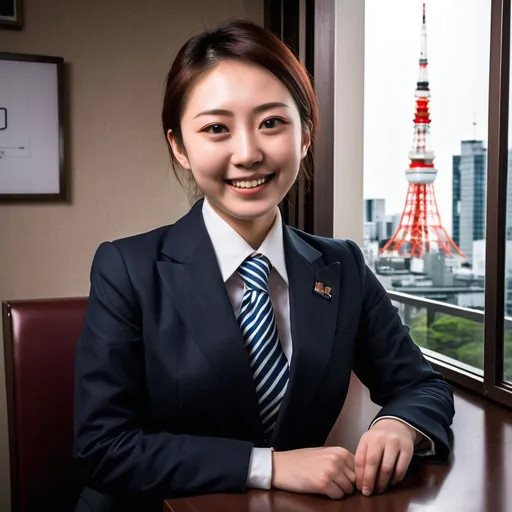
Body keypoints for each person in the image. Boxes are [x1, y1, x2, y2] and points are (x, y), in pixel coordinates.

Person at [73, 19, 455, 512]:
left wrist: (398, 424)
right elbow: (104, 447)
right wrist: (269, 465)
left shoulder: (341, 266)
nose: (249, 153)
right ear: (179, 147)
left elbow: (421, 385)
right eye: (216, 128)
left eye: (272, 122)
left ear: (305, 136)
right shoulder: (126, 267)